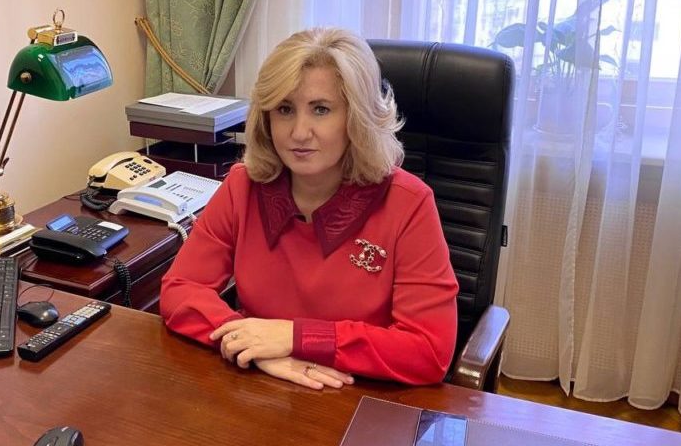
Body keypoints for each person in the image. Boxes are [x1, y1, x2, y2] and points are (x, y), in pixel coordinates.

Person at [159, 27, 458, 389]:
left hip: (358, 393)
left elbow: (429, 350)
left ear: (357, 118)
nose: (299, 132)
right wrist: (252, 344)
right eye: (285, 109)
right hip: (260, 384)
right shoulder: (243, 186)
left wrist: (297, 337)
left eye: (321, 109)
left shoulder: (408, 203)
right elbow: (180, 288)